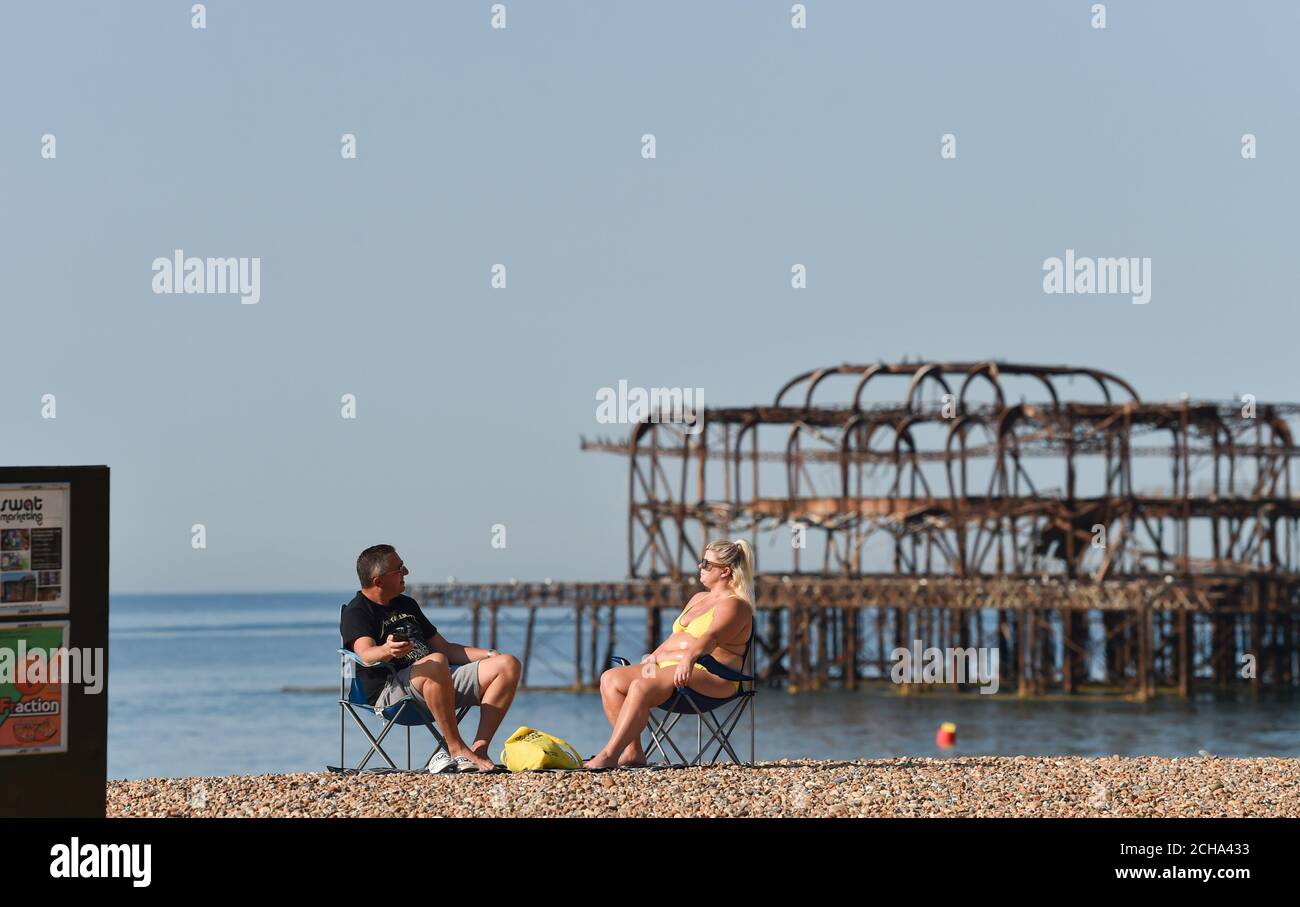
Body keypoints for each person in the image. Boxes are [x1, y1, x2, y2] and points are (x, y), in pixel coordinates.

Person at [341, 544, 520, 772]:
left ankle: (479, 749)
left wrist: (489, 654)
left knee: (508, 664)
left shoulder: (407, 604)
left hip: (437, 678)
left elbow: (444, 648)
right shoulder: (357, 611)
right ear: (378, 581)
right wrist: (387, 649)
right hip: (391, 692)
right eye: (399, 569)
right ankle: (456, 749)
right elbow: (365, 655)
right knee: (435, 662)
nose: (406, 573)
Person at [584, 539, 754, 769]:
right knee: (611, 679)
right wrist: (651, 658)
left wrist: (688, 658)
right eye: (701, 562)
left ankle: (609, 754)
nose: (700, 567)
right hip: (671, 669)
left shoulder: (735, 605)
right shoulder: (698, 599)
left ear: (725, 571)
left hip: (713, 677)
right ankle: (632, 752)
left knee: (640, 686)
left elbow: (710, 637)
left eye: (706, 563)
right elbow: (674, 638)